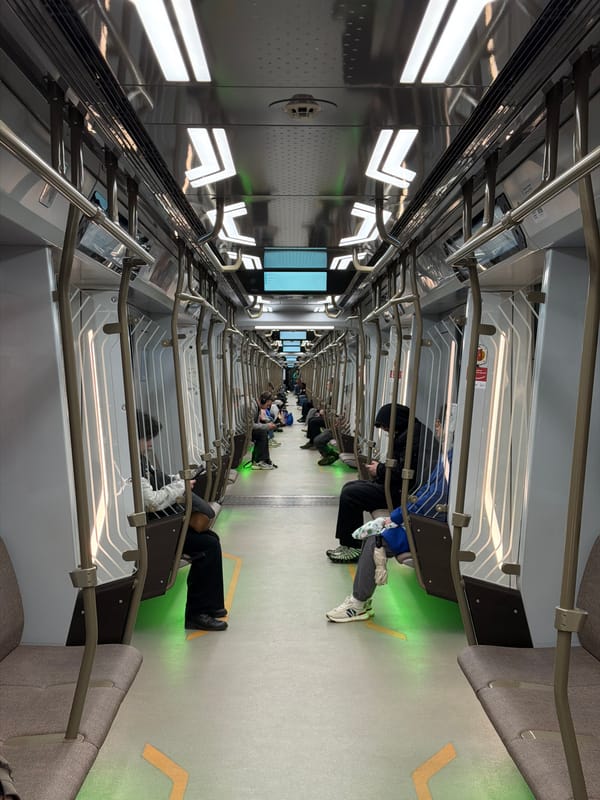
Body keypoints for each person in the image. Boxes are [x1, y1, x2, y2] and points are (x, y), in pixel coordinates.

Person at [326, 416, 452, 622]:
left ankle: (359, 603)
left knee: (376, 537)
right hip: (420, 512)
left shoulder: (452, 458)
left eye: (440, 423)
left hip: (430, 523)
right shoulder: (451, 455)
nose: (436, 427)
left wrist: (397, 517)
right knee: (352, 492)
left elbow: (434, 497)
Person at [136, 411, 227, 632]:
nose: (149, 444)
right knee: (205, 547)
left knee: (211, 540)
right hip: (153, 527)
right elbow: (152, 502)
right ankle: (197, 614)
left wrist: (180, 479)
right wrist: (180, 487)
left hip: (163, 522)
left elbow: (159, 479)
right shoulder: (129, 465)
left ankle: (212, 605)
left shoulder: (140, 460)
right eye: (146, 438)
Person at [326, 403, 436, 564]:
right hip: (394, 486)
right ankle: (347, 543)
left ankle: (353, 546)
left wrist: (380, 470)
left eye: (385, 427)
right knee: (350, 487)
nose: (385, 431)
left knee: (351, 494)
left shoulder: (412, 439)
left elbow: (404, 473)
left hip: (401, 492)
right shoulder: (409, 433)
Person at [251, 392, 278, 469]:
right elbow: (250, 426)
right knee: (262, 433)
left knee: (264, 430)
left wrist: (266, 424)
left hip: (250, 430)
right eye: (268, 405)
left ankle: (265, 460)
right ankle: (260, 461)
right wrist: (266, 426)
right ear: (263, 400)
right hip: (244, 432)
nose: (267, 407)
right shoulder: (252, 407)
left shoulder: (257, 407)